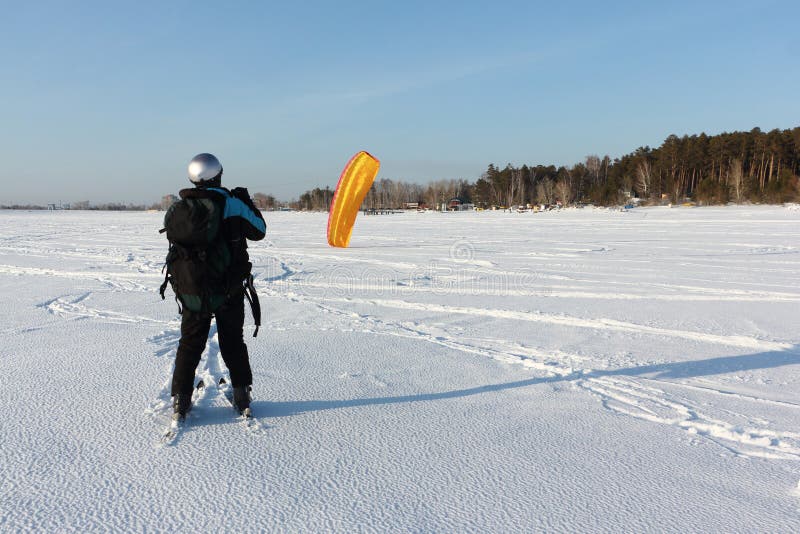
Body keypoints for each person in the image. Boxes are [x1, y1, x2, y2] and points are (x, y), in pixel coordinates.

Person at [166, 153, 266, 419]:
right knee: (233, 341)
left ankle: (181, 399)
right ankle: (242, 395)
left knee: (189, 342)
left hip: (192, 288)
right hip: (228, 288)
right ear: (218, 174)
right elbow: (259, 230)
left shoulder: (180, 207)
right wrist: (247, 203)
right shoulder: (232, 203)